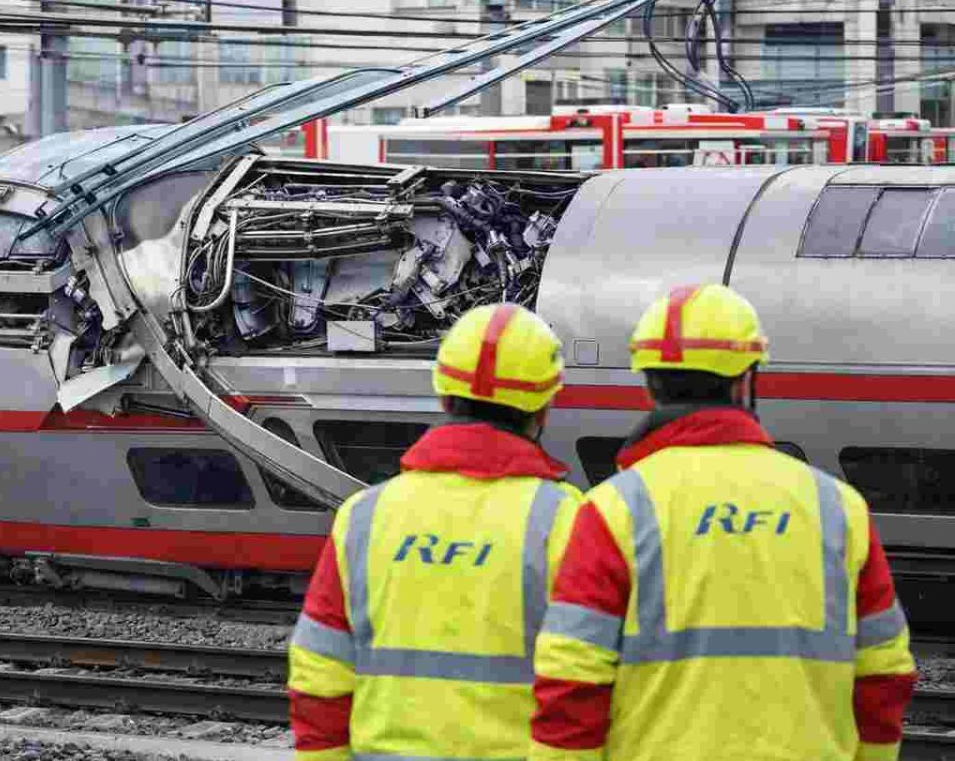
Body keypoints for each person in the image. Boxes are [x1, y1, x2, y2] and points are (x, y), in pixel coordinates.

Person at [530, 283, 917, 761]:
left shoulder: (615, 510)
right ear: (746, 380)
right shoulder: (837, 506)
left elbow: (572, 681)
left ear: (649, 384)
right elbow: (883, 673)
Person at [288, 303, 584, 761]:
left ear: (444, 397)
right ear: (544, 408)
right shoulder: (566, 520)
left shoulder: (364, 516)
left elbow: (318, 672)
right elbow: (583, 685)